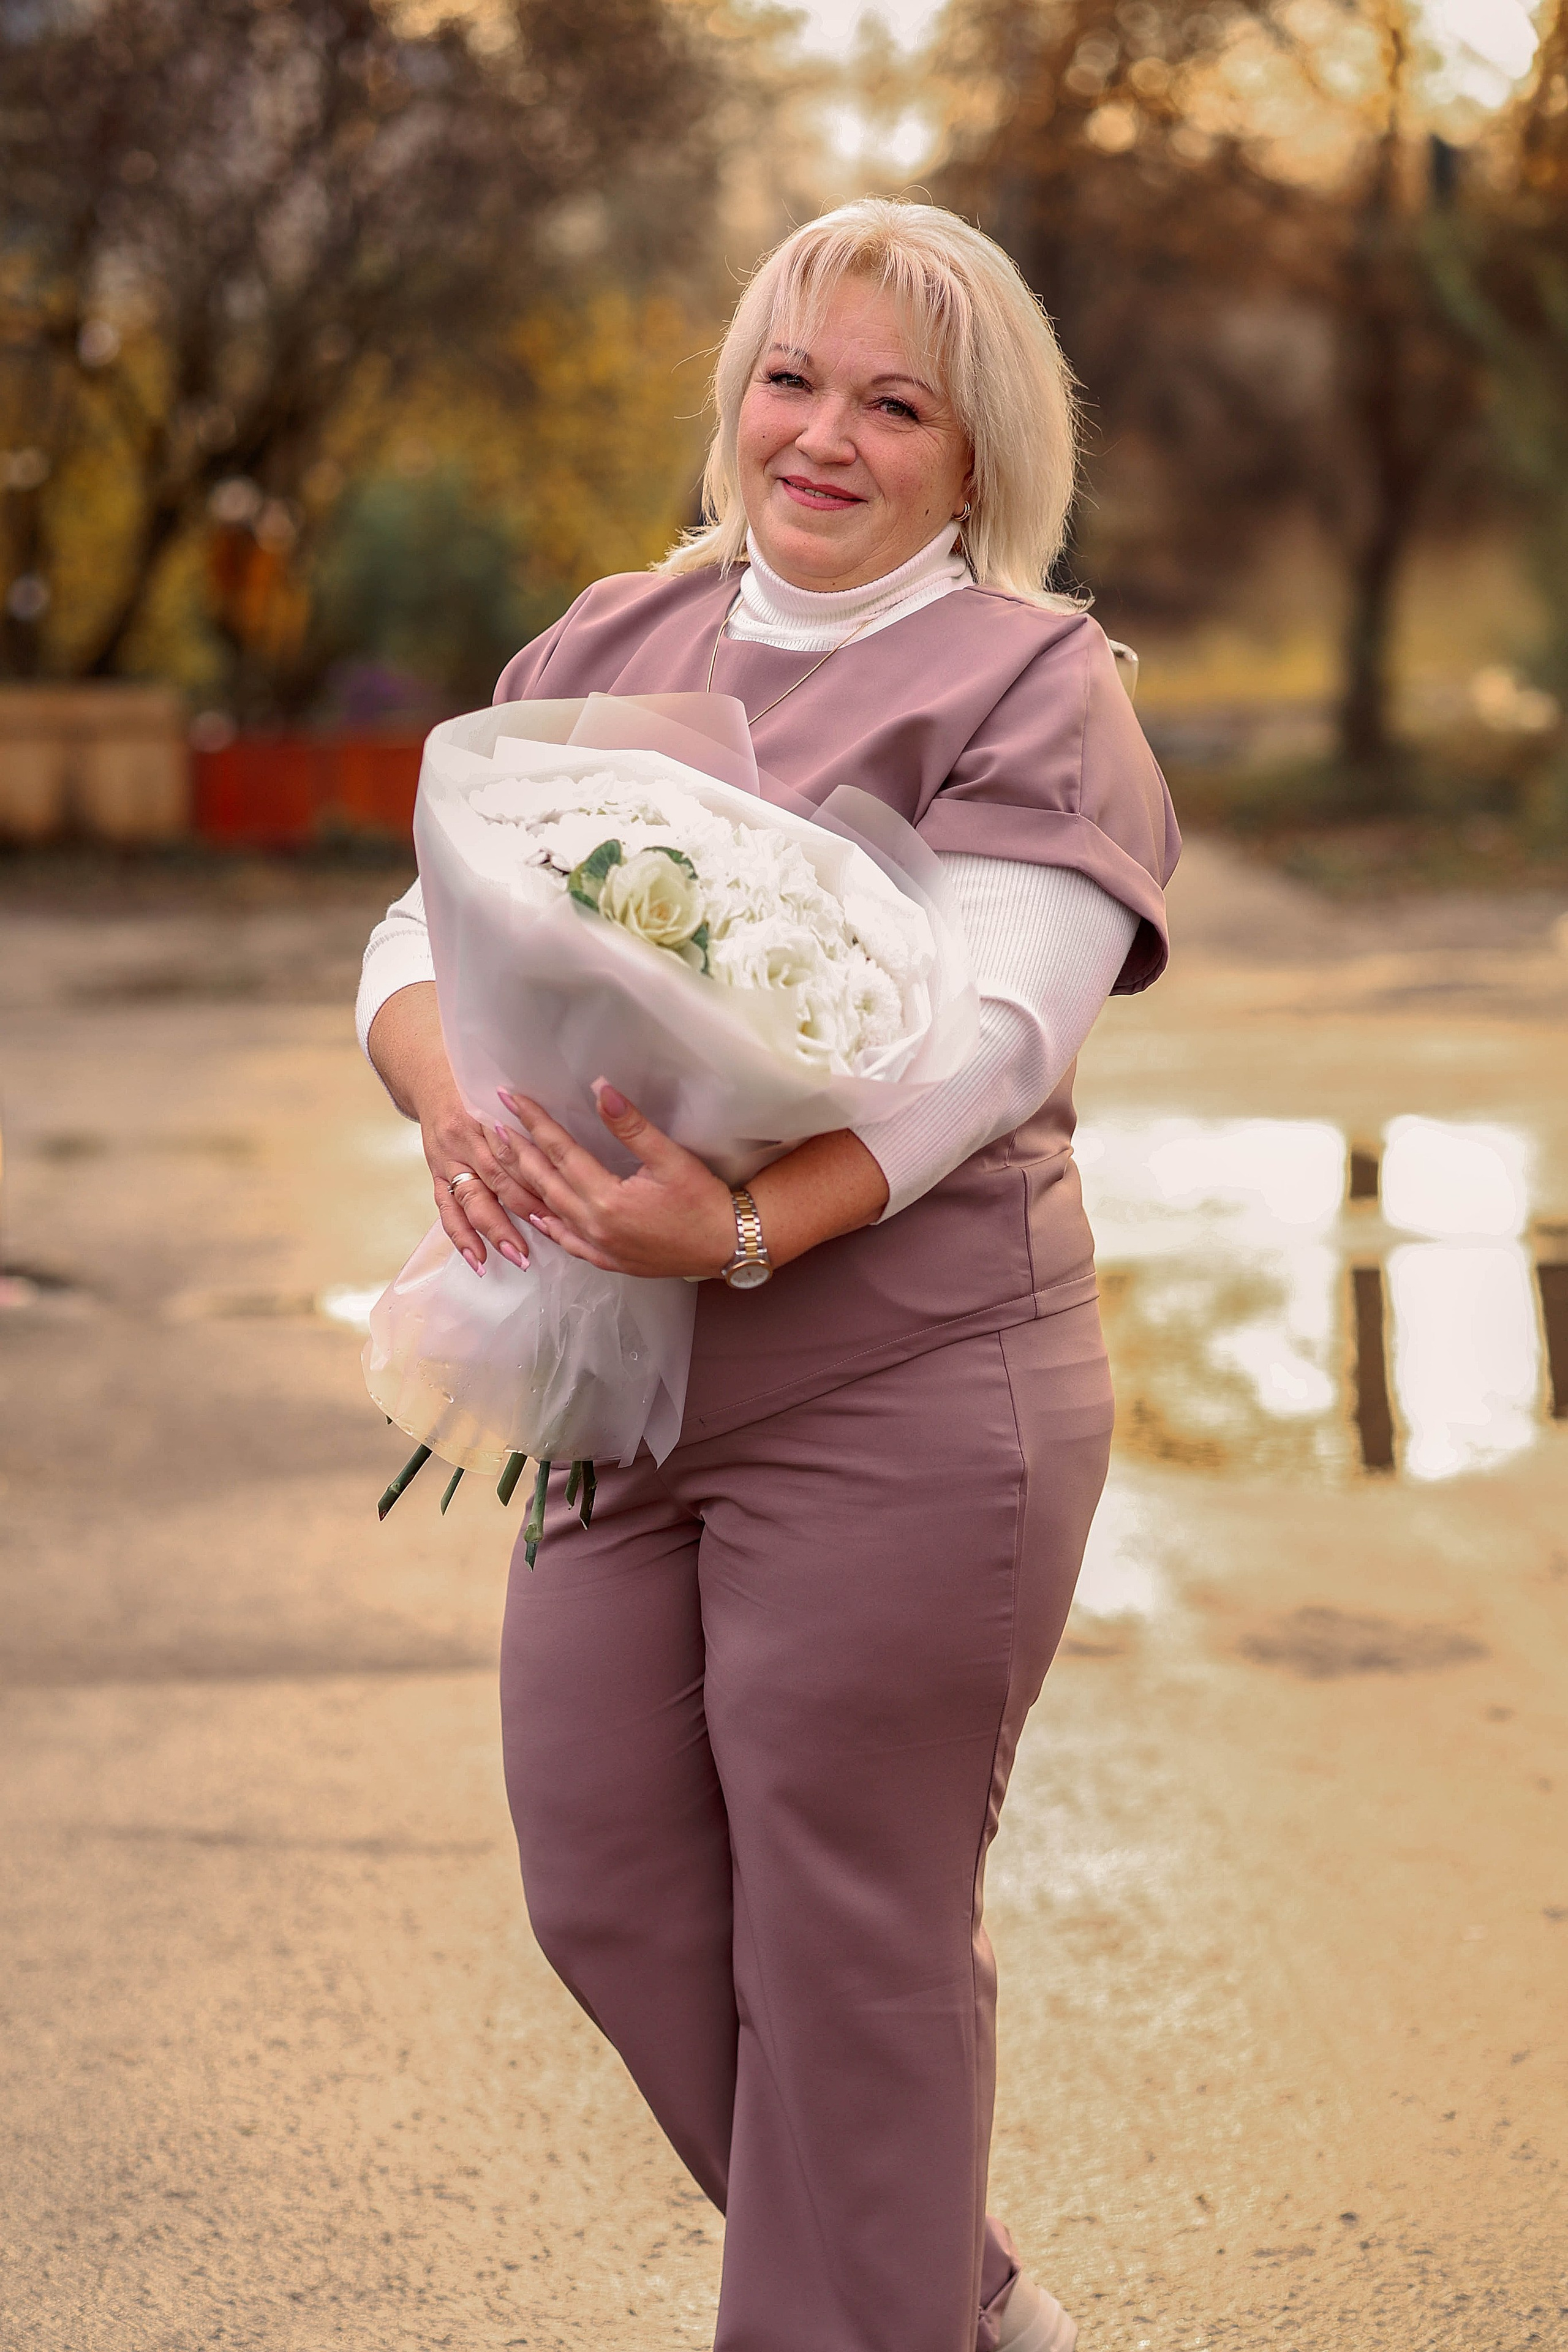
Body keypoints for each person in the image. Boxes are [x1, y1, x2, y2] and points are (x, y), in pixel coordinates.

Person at [358, 198, 1178, 2352]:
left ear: (975, 456)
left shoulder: (1035, 679)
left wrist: (731, 1225)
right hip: (615, 1378)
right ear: (736, 392)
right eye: (794, 376)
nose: (825, 433)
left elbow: (990, 1036)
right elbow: (418, 927)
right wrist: (455, 1100)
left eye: (895, 402)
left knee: (848, 1938)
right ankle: (955, 2305)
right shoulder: (611, 638)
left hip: (906, 1391)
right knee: (611, 1884)